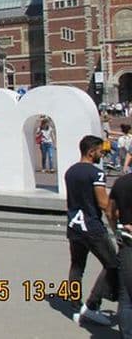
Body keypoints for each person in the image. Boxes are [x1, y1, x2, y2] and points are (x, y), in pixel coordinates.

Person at [65, 134, 117, 326]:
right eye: (100, 152)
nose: (101, 155)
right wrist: (115, 217)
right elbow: (103, 203)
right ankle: (92, 305)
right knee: (113, 263)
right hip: (93, 227)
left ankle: (75, 305)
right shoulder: (96, 174)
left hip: (74, 225)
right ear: (90, 151)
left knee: (77, 266)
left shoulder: (70, 172)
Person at [110, 166, 132, 338]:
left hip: (127, 242)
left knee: (126, 298)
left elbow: (111, 212)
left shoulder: (121, 183)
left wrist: (115, 230)